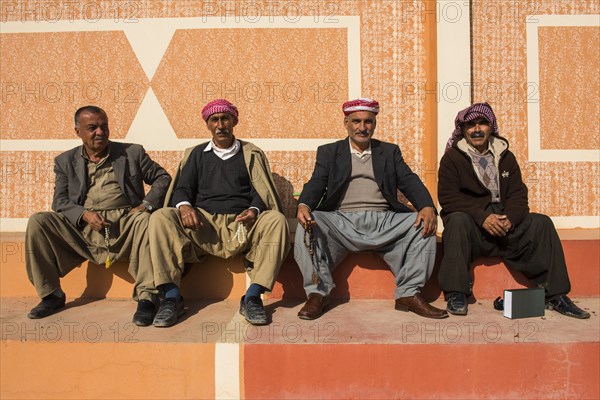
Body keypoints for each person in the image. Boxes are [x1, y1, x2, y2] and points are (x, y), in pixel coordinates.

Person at [294, 98, 447, 320]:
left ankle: (408, 294)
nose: (362, 127)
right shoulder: (330, 152)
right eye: (356, 121)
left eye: (368, 122)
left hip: (384, 221)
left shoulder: (388, 151)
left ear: (375, 124)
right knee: (307, 226)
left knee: (425, 224)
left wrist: (426, 206)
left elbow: (408, 180)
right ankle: (318, 293)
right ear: (346, 122)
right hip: (341, 221)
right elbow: (317, 182)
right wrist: (304, 205)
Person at [437, 102, 589, 319]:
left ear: (491, 127)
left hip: (504, 224)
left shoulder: (506, 156)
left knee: (542, 223)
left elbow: (519, 195)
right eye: (471, 125)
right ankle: (456, 293)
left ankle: (556, 295)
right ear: (463, 129)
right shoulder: (452, 158)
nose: (477, 129)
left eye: (482, 123)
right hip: (474, 227)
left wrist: (510, 219)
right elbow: (449, 199)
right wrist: (482, 217)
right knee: (457, 220)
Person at [25, 105, 172, 326]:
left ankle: (147, 298)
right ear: (78, 132)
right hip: (84, 228)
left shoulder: (132, 153)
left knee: (145, 220)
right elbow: (60, 201)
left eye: (104, 126)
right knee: (38, 221)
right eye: (92, 128)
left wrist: (146, 205)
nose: (100, 132)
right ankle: (51, 295)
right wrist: (84, 214)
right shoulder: (65, 161)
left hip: (125, 223)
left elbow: (162, 178)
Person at [149, 99, 289, 327]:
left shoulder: (250, 153)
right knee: (160, 218)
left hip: (242, 226)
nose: (220, 124)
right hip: (203, 225)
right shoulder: (195, 154)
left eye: (225, 119)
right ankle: (171, 298)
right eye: (215, 119)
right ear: (208, 125)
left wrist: (253, 211)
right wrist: (185, 206)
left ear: (234, 121)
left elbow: (260, 191)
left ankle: (253, 297)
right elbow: (182, 188)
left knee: (276, 220)